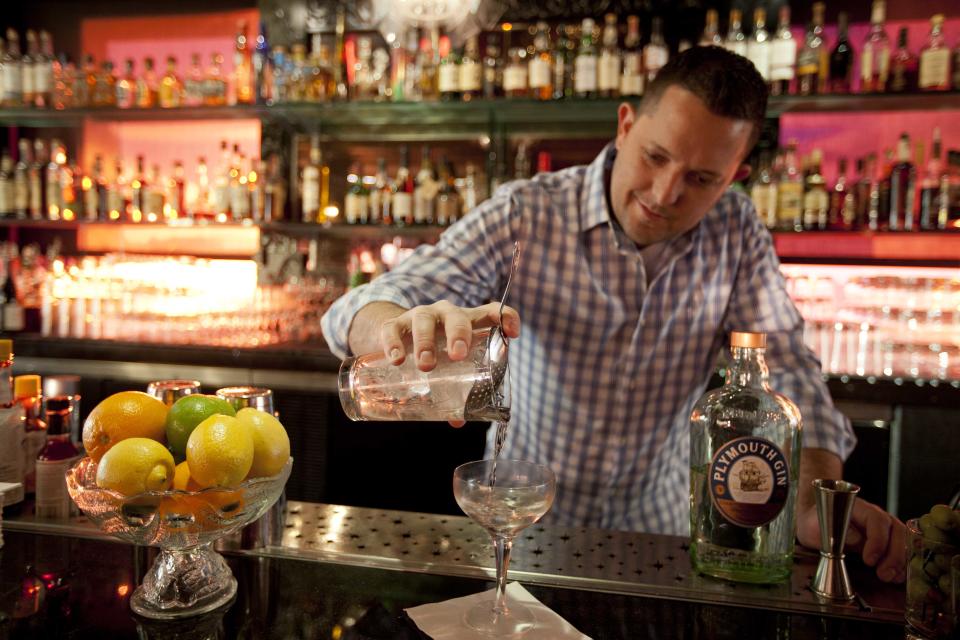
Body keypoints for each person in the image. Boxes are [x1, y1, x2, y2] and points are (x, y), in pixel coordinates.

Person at [321, 46, 906, 583]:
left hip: (659, 536)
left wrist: (808, 500)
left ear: (736, 175)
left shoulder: (736, 231)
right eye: (655, 156)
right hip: (524, 525)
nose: (665, 192)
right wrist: (393, 326)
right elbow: (370, 301)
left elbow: (788, 367)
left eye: (702, 179)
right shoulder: (528, 213)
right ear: (625, 125)